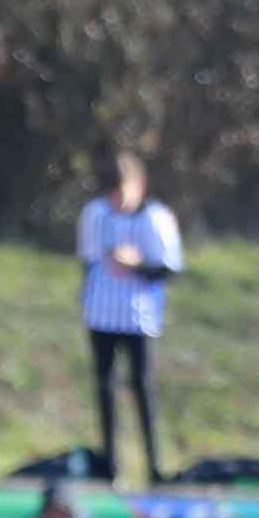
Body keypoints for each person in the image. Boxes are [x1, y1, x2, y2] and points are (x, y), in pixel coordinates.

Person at [75, 152, 184, 484]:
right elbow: (88, 260)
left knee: (142, 386)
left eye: (122, 193)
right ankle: (110, 464)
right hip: (101, 313)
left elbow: (168, 268)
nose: (117, 201)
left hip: (138, 317)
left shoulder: (156, 218)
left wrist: (136, 265)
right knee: (104, 387)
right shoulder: (94, 214)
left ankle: (153, 464)